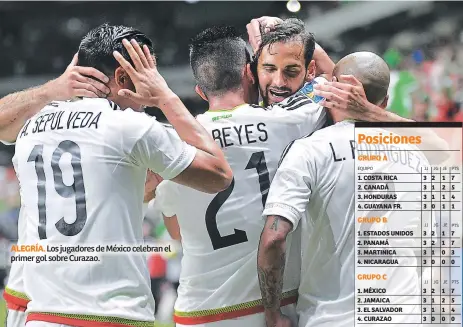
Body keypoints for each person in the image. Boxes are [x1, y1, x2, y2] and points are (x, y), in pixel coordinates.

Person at [6, 23, 233, 327]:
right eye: (149, 71)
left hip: (42, 314)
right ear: (124, 77)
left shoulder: (32, 127)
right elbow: (218, 174)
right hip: (113, 313)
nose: (154, 79)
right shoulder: (130, 127)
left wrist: (50, 90)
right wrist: (164, 96)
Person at [258, 52, 429, 327]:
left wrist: (272, 313)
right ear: (384, 102)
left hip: (330, 319)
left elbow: (273, 239)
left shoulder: (308, 151)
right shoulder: (418, 154)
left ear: (329, 91)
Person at [1, 53, 112, 327]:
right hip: (38, 290)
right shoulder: (124, 126)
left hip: (87, 289)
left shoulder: (120, 123)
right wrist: (55, 89)